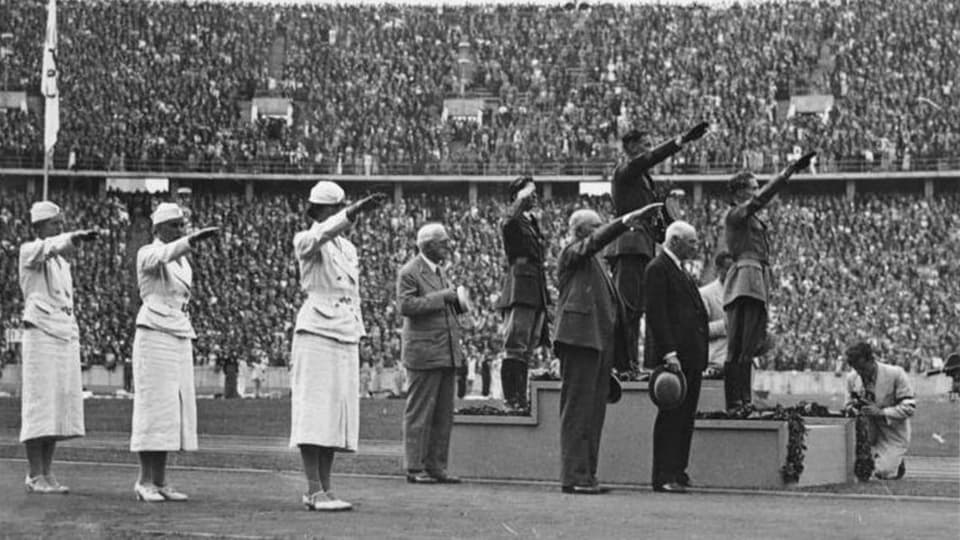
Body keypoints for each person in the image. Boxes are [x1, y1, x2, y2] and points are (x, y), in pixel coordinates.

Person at [289, 181, 386, 511]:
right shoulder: (306, 238)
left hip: (344, 330)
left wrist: (360, 330)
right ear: (317, 211)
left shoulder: (349, 249)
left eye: (341, 208)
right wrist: (352, 212)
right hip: (316, 328)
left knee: (334, 414)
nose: (339, 215)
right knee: (313, 412)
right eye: (333, 209)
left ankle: (326, 489)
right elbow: (320, 236)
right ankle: (313, 489)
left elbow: (353, 294)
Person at [130, 203, 219, 502]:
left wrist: (185, 244)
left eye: (182, 226)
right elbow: (162, 255)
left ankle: (161, 480)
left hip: (178, 330)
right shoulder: (148, 252)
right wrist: (190, 241)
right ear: (158, 228)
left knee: (172, 408)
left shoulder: (184, 263)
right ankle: (144, 481)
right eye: (174, 226)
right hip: (154, 331)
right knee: (153, 406)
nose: (180, 230)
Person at [553, 207, 645, 494]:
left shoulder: (596, 262)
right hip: (580, 340)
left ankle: (586, 475)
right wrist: (623, 222)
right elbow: (592, 244)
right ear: (582, 230)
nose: (602, 229)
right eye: (597, 225)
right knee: (578, 412)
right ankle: (574, 475)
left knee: (592, 415)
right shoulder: (572, 253)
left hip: (598, 343)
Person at [605, 123, 709, 361]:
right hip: (630, 246)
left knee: (641, 309)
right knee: (628, 309)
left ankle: (633, 363)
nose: (649, 149)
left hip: (644, 246)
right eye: (645, 144)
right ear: (631, 147)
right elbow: (650, 159)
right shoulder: (625, 171)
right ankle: (622, 365)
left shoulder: (642, 179)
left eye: (650, 145)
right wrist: (681, 140)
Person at [19, 201, 100, 494]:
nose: (60, 228)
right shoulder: (29, 251)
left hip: (63, 332)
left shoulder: (62, 264)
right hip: (40, 332)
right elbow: (49, 247)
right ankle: (34, 473)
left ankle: (47, 472)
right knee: (40, 403)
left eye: (61, 223)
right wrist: (74, 237)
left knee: (56, 404)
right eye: (54, 223)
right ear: (39, 227)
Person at [723, 152, 814, 410]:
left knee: (746, 345)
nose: (756, 191)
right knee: (741, 345)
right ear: (740, 191)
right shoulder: (736, 214)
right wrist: (787, 172)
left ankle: (741, 399)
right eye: (752, 187)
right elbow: (760, 200)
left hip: (753, 279)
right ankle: (738, 400)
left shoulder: (746, 217)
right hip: (747, 279)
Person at [397, 223, 465, 485]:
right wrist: (443, 297)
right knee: (420, 412)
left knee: (443, 414)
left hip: (445, 351)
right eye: (444, 242)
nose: (448, 246)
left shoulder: (440, 272)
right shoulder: (410, 271)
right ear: (429, 245)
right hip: (424, 353)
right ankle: (414, 467)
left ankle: (436, 466)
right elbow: (406, 305)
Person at [644, 221, 709, 493]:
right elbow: (657, 315)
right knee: (671, 417)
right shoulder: (658, 269)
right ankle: (663, 474)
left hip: (690, 356)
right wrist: (669, 352)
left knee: (685, 417)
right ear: (675, 241)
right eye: (692, 241)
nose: (696, 246)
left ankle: (678, 469)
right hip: (675, 358)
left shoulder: (678, 270)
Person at [496, 176, 551, 409]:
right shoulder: (512, 220)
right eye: (530, 192)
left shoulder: (531, 222)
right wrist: (520, 199)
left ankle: (521, 398)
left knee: (527, 348)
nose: (535, 196)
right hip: (520, 288)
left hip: (535, 287)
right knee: (515, 345)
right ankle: (512, 399)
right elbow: (507, 222)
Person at [844, 341, 916, 479]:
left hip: (892, 432)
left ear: (871, 360)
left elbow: (909, 407)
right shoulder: (852, 378)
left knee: (883, 473)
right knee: (854, 471)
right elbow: (847, 405)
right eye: (856, 369)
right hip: (865, 430)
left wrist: (882, 412)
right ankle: (880, 457)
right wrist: (854, 409)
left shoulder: (896, 374)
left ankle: (896, 462)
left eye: (863, 368)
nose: (860, 373)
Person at [699, 252, 734, 378]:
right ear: (718, 269)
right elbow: (699, 331)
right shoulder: (705, 294)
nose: (732, 273)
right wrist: (726, 324)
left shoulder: (742, 294)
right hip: (716, 360)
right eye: (728, 269)